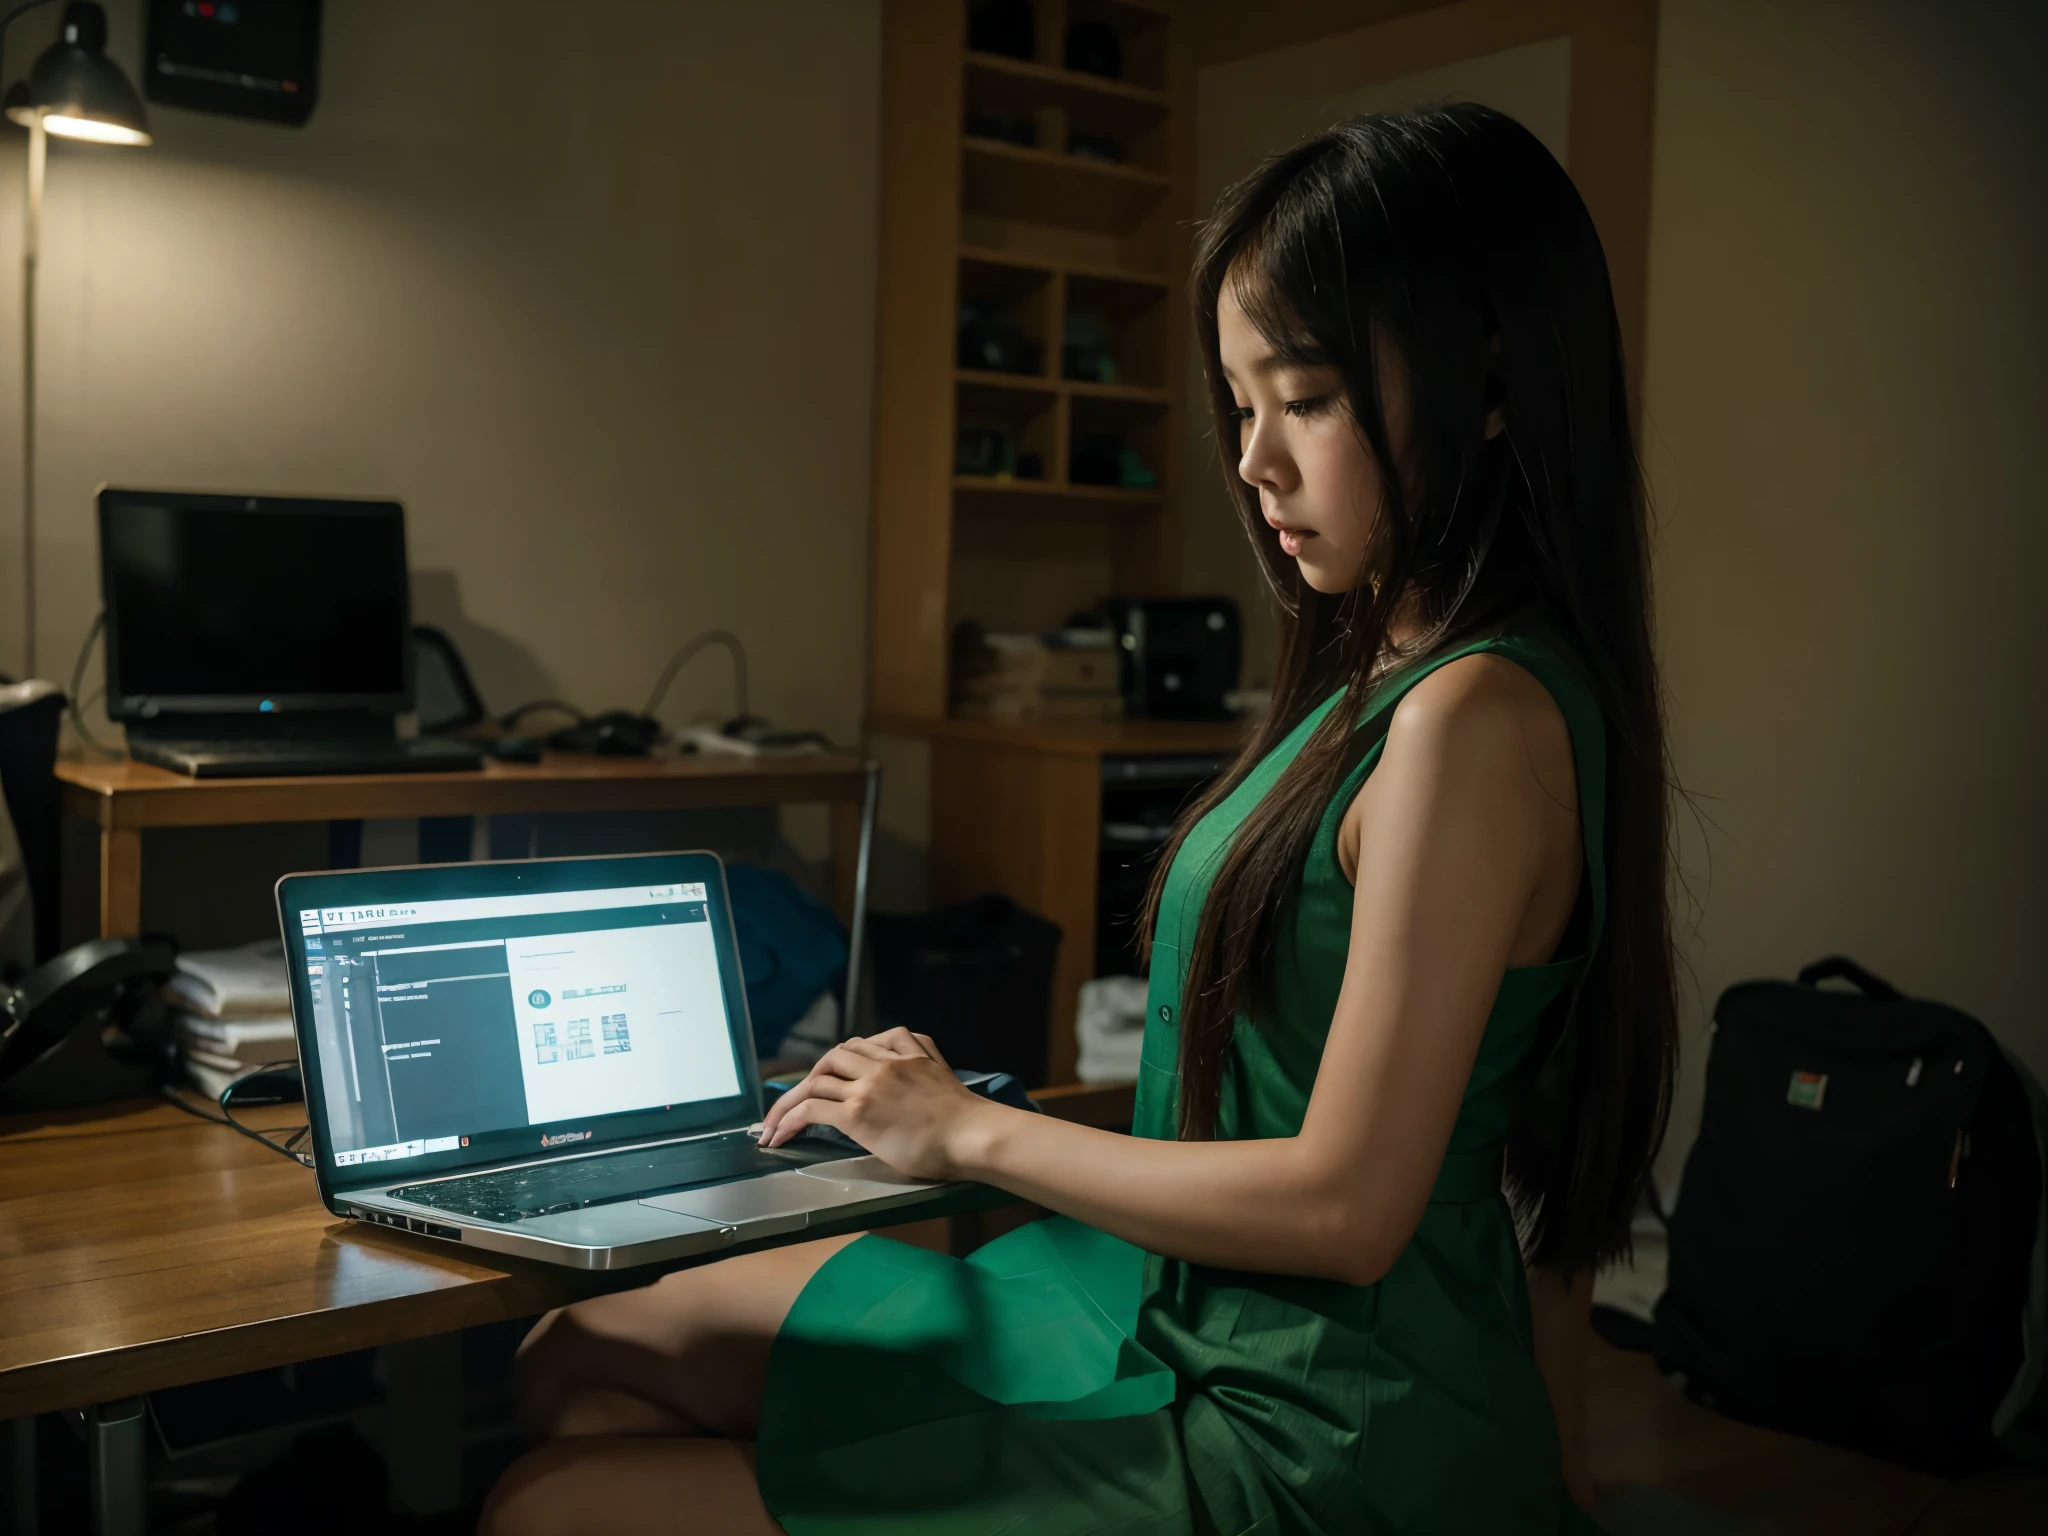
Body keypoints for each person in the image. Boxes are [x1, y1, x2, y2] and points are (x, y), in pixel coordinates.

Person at [483, 103, 1677, 1536]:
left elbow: (1355, 1206)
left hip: (1309, 1414)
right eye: (1240, 408)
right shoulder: (1388, 672)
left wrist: (965, 1137)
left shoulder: (1467, 724)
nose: (1254, 463)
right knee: (578, 1356)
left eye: (1303, 398)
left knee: (554, 1503)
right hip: (1161, 1295)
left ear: (1490, 380)